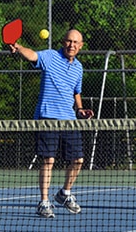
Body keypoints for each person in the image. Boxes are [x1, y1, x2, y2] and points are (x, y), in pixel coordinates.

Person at [8, 29, 88, 218]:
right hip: (47, 118)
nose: (72, 45)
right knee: (48, 160)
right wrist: (19, 48)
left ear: (81, 46)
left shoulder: (78, 67)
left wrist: (80, 109)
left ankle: (65, 193)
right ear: (63, 42)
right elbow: (33, 55)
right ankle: (44, 202)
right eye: (69, 41)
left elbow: (76, 92)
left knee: (78, 160)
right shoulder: (51, 57)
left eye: (76, 42)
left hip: (69, 120)